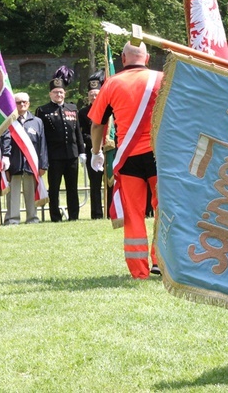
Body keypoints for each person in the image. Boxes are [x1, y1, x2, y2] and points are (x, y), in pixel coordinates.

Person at [89, 41, 163, 279]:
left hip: (128, 158)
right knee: (164, 212)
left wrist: (96, 152)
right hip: (159, 156)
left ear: (123, 59)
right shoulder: (163, 79)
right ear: (148, 58)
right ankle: (161, 262)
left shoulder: (112, 83)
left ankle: (138, 270)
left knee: (133, 214)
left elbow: (97, 124)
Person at [36, 67, 85, 222]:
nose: (59, 94)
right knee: (54, 188)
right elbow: (41, 135)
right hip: (54, 156)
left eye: (61, 92)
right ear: (50, 93)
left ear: (65, 93)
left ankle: (74, 216)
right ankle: (55, 216)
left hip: (72, 154)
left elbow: (77, 132)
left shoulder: (72, 108)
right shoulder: (43, 110)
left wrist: (82, 151)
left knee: (72, 188)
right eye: (56, 92)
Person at [2, 92, 48, 225]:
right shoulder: (9, 121)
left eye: (25, 102)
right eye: (18, 102)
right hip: (14, 164)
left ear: (29, 103)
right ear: (13, 104)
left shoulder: (37, 122)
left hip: (31, 164)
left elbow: (42, 144)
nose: (22, 104)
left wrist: (43, 165)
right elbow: (5, 143)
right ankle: (12, 219)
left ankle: (32, 218)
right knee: (13, 195)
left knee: (31, 194)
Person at [78, 72, 105, 219]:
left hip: (108, 150)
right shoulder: (83, 112)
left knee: (109, 183)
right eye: (91, 95)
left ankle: (109, 211)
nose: (94, 98)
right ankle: (96, 213)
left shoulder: (109, 109)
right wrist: (95, 141)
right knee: (95, 184)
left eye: (97, 95)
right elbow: (81, 132)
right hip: (92, 150)